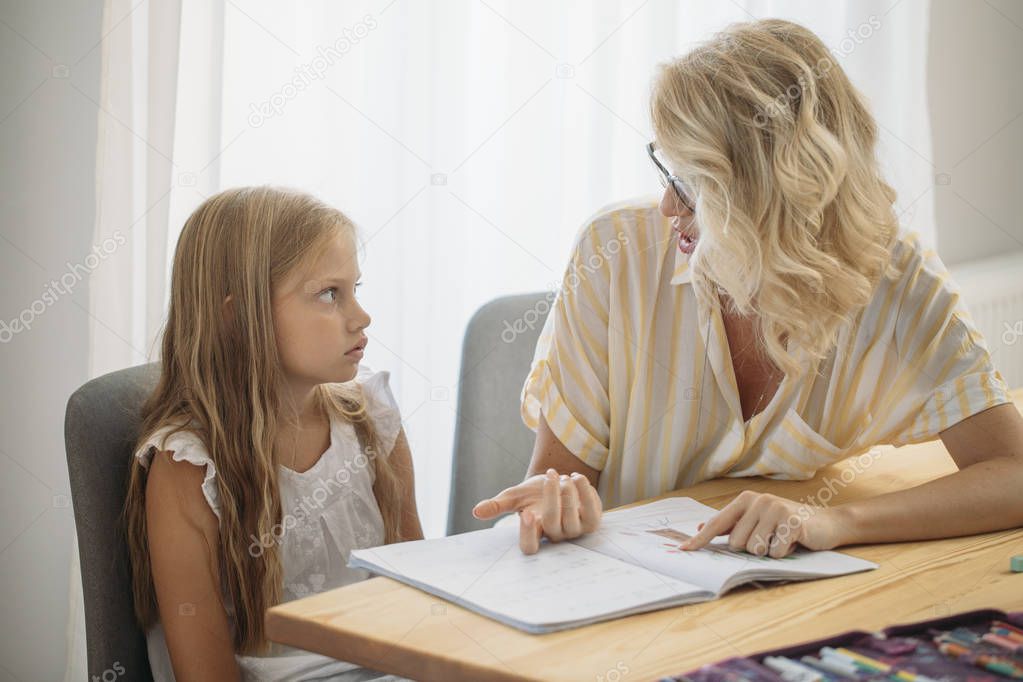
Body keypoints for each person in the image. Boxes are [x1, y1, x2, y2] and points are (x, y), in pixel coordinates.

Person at [473, 18, 1023, 558]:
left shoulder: (897, 279)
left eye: (691, 184)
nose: (668, 205)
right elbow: (558, 483)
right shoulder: (611, 254)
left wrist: (834, 521)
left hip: (778, 606)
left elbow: (1013, 474)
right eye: (668, 171)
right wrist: (559, 505)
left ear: (770, 195)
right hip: (626, 602)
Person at [123, 186, 421, 681]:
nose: (361, 318)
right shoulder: (190, 470)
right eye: (330, 294)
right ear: (237, 317)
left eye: (355, 290)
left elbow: (418, 605)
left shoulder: (373, 420)